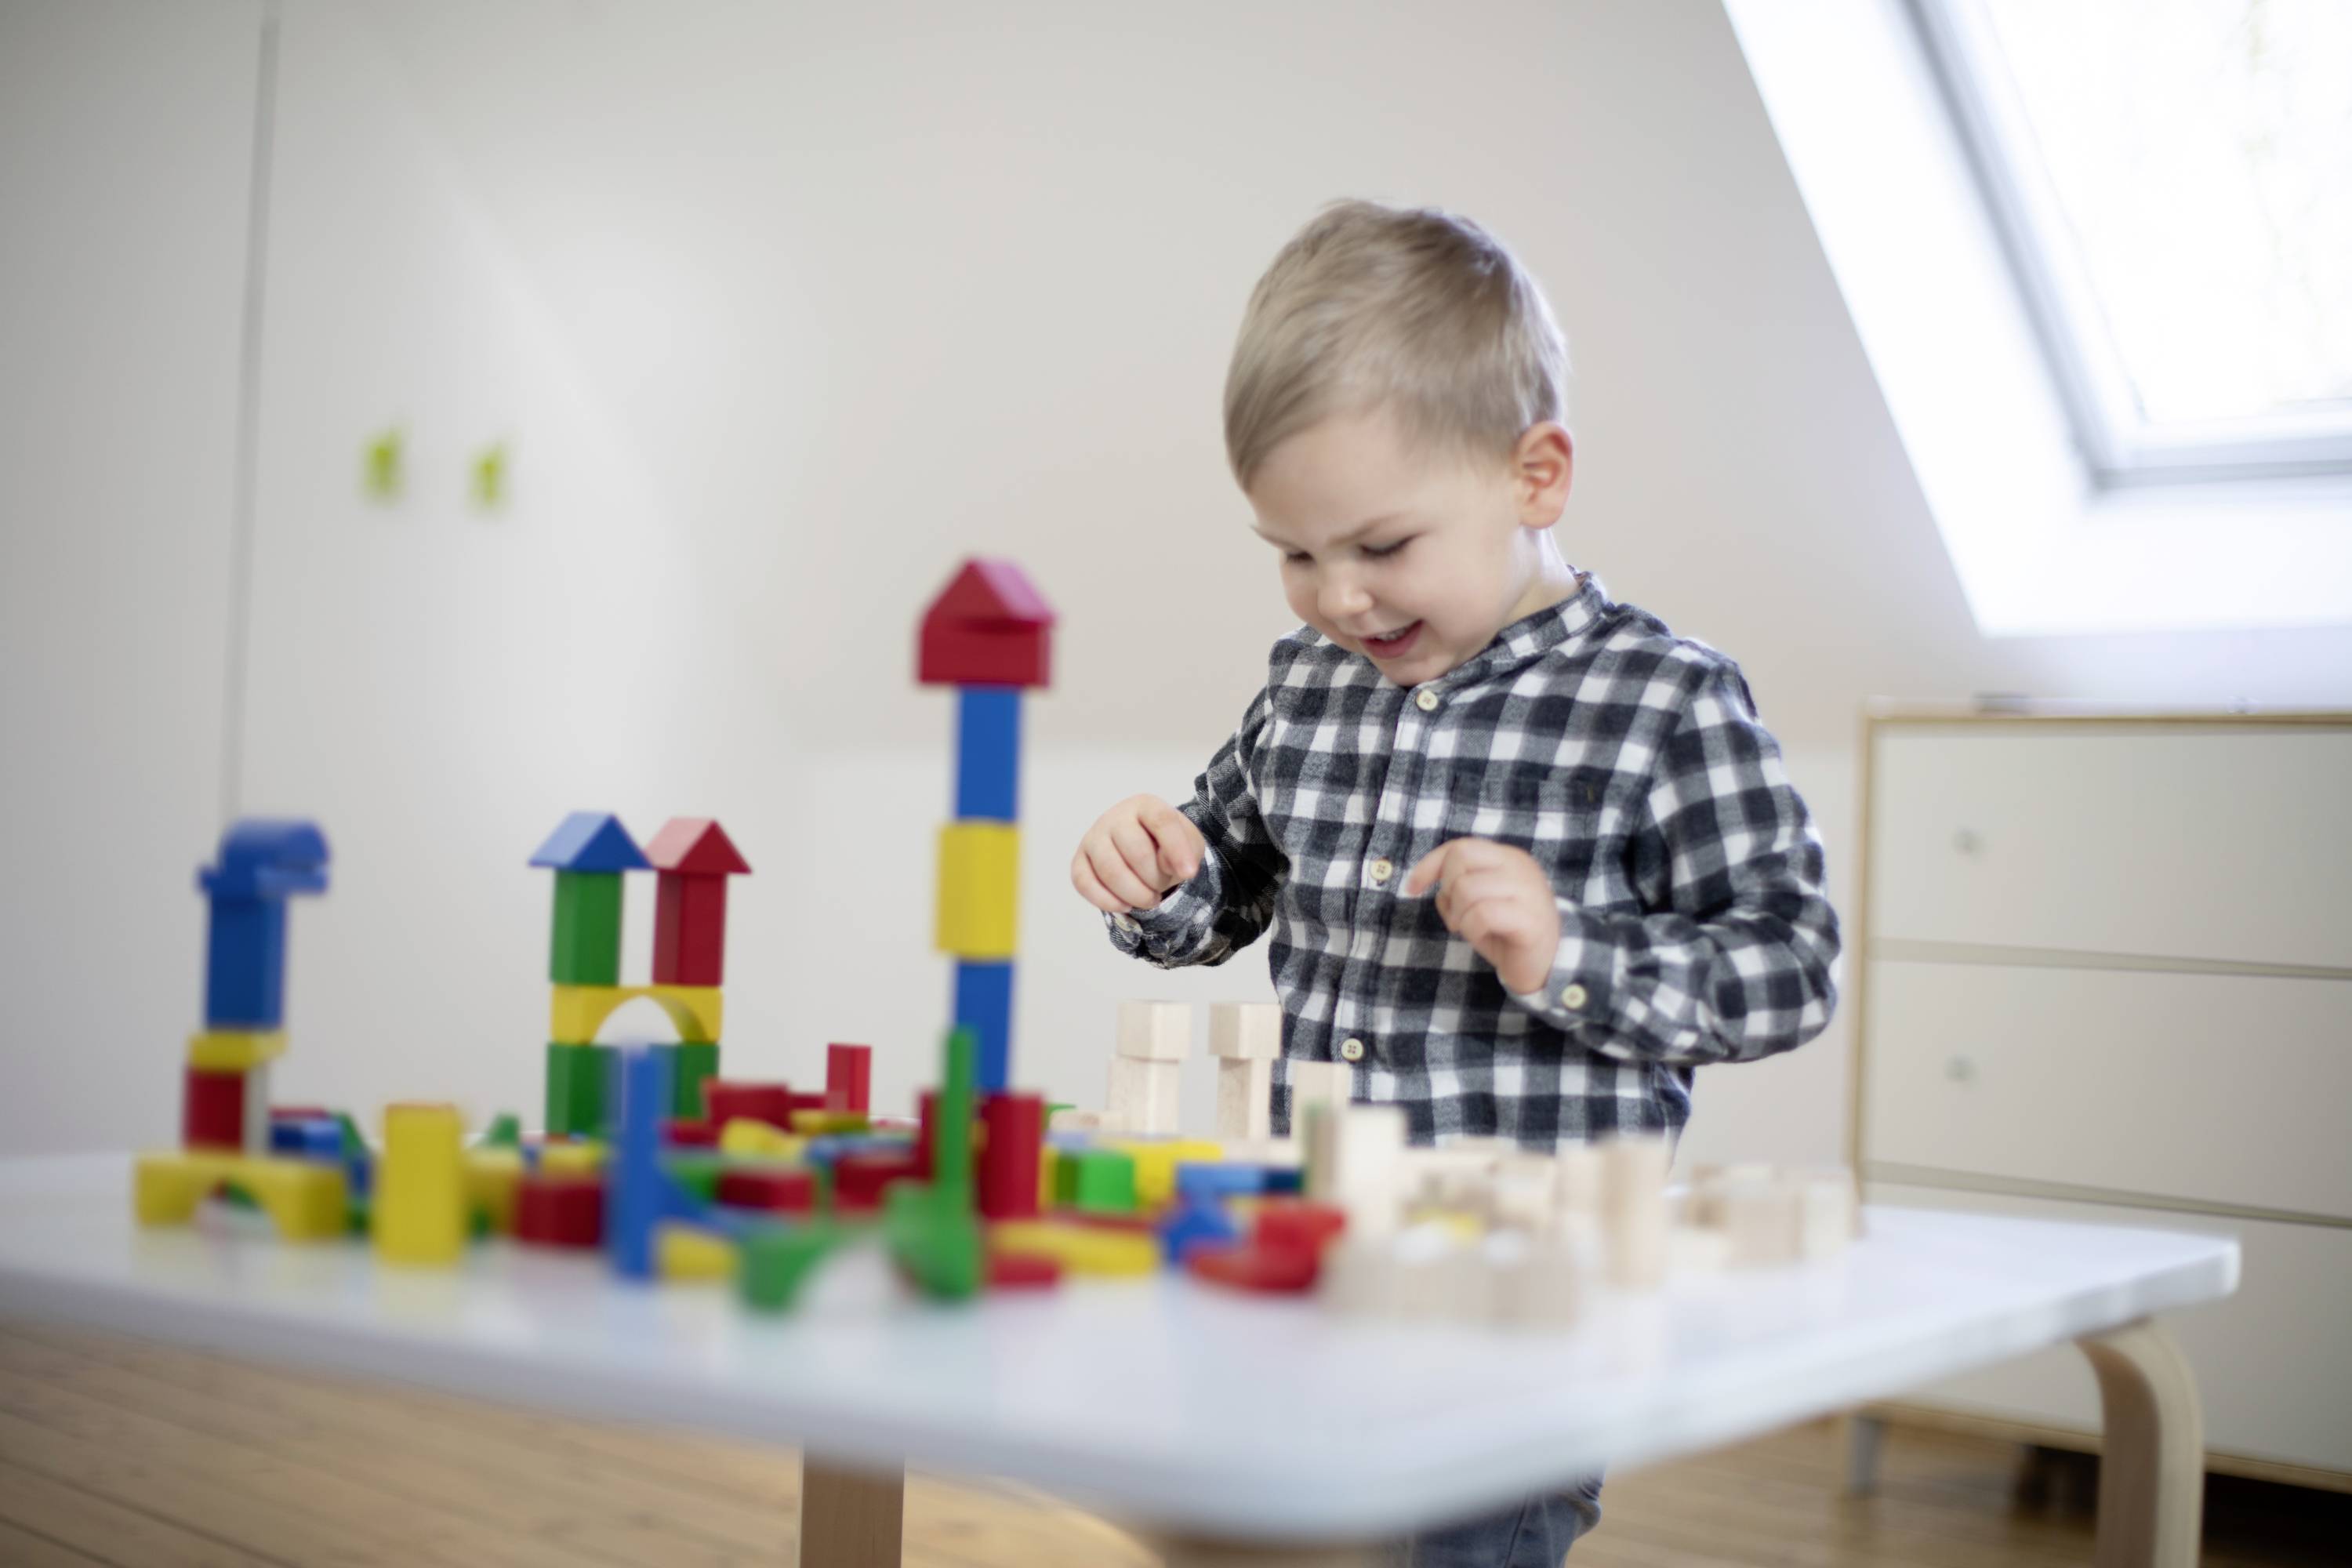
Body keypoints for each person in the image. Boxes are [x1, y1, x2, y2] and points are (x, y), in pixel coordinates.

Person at [1072, 199, 1841, 1566]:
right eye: (1295, 555)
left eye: (1379, 547)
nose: (1336, 599)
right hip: (1305, 1272)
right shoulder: (1309, 682)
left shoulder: (1663, 702)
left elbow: (1788, 969)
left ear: (1534, 477)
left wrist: (1569, 952)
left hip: (1519, 1318)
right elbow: (1230, 886)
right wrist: (1161, 875)